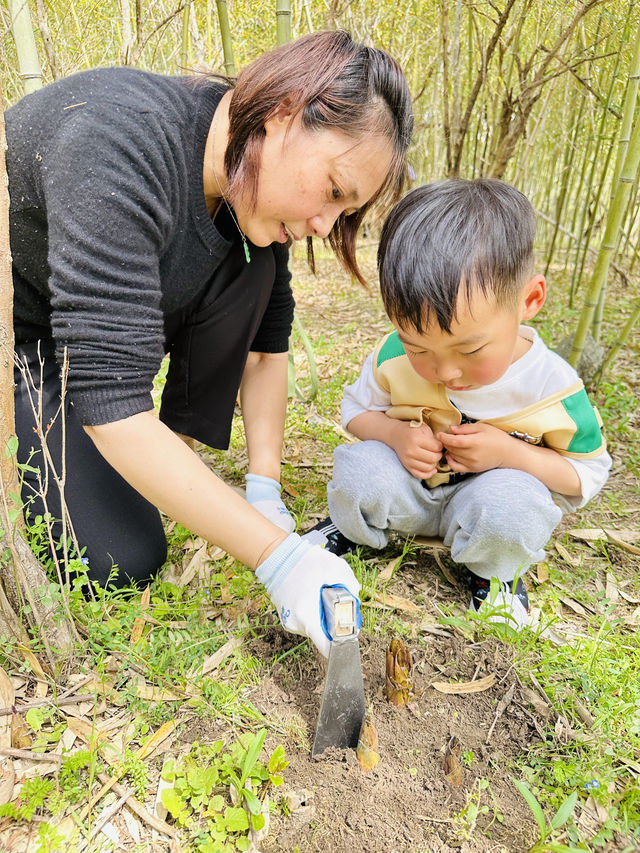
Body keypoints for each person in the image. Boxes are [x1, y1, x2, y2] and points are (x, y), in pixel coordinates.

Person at [6, 30, 414, 657]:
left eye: (344, 213)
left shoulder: (246, 185)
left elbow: (267, 347)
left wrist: (265, 489)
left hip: (108, 345)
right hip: (34, 348)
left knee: (258, 258)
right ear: (282, 114)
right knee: (121, 558)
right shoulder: (118, 142)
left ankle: (168, 453)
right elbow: (108, 396)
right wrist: (279, 558)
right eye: (333, 191)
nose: (322, 226)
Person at [306, 179, 611, 628]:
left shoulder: (554, 387)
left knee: (516, 508)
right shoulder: (392, 355)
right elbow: (355, 411)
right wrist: (395, 434)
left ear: (529, 301)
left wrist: (511, 454)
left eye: (470, 351)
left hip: (487, 504)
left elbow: (586, 473)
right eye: (419, 349)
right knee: (359, 469)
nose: (445, 372)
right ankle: (352, 531)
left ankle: (496, 574)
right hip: (408, 488)